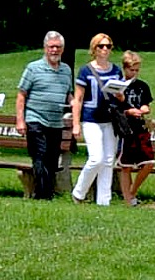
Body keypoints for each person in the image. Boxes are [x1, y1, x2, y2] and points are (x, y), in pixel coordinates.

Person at [16, 32, 77, 200]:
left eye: (58, 47)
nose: (55, 50)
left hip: (56, 122)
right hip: (35, 119)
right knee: (40, 156)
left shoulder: (66, 70)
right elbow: (21, 95)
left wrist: (75, 103)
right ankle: (42, 195)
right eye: (51, 47)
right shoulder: (33, 68)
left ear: (63, 49)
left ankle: (46, 193)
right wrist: (20, 121)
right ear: (45, 48)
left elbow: (68, 94)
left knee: (51, 159)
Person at [69, 34, 122, 203]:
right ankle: (79, 193)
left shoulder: (116, 70)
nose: (105, 49)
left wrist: (121, 95)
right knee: (95, 158)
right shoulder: (86, 71)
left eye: (108, 46)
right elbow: (77, 99)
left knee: (108, 160)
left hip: (109, 119)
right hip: (91, 119)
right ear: (94, 49)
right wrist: (76, 124)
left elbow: (120, 97)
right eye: (101, 46)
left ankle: (104, 201)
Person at [111, 50, 153, 200]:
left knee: (149, 163)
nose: (134, 73)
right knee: (126, 165)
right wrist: (128, 111)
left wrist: (143, 110)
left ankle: (132, 191)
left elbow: (146, 105)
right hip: (125, 129)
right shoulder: (118, 85)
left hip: (140, 127)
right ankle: (128, 199)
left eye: (137, 70)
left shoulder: (142, 86)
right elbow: (115, 108)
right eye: (131, 70)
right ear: (124, 68)